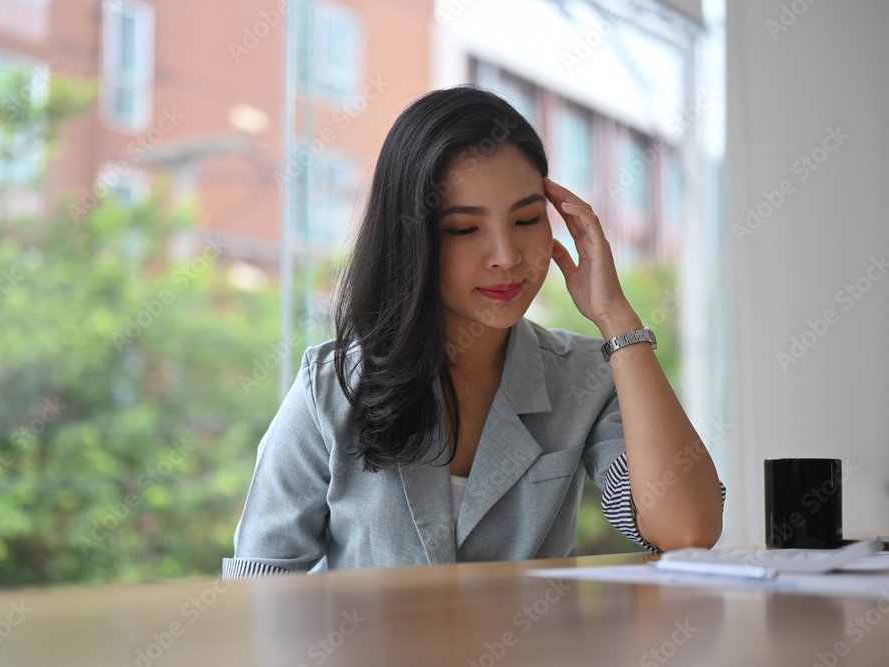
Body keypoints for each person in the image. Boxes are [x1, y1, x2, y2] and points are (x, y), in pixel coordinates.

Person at [223, 85, 725, 578]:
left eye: (527, 219)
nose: (506, 256)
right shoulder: (331, 386)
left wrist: (618, 319)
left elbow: (685, 529)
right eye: (464, 229)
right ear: (412, 239)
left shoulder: (587, 378)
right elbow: (260, 589)